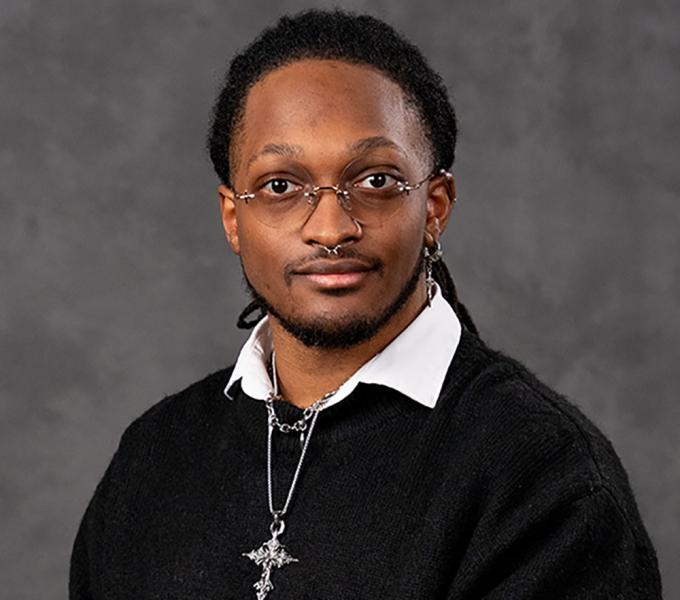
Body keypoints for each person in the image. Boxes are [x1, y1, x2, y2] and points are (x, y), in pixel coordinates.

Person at [69, 9, 662, 599]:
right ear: (233, 218)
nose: (330, 227)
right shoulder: (154, 457)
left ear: (435, 207)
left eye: (375, 181)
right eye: (281, 186)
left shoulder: (543, 480)